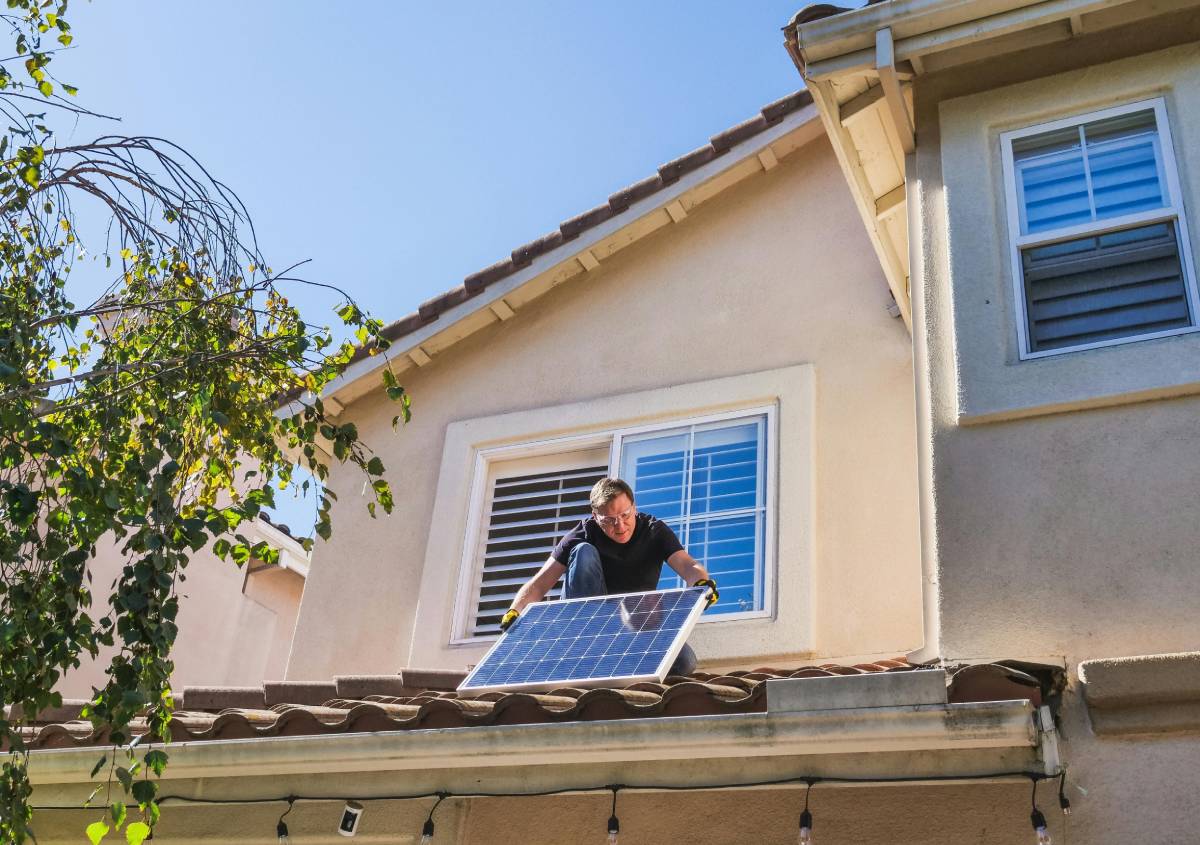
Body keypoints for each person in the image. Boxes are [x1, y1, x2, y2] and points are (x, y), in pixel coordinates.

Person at [498, 476, 718, 676]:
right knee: (583, 551)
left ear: (635, 507)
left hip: (633, 625)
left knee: (684, 662)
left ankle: (623, 667)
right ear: (595, 516)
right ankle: (583, 643)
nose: (620, 526)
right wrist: (515, 612)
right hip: (587, 624)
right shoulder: (581, 534)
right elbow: (538, 585)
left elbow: (688, 565)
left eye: (625, 515)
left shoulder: (654, 531)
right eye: (609, 520)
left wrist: (701, 584)